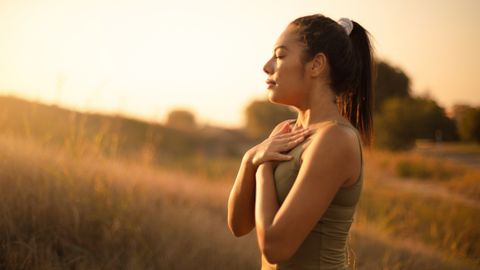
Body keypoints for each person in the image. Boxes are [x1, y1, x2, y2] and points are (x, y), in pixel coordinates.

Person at [227, 14, 376, 270]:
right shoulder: (284, 132)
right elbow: (239, 226)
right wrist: (249, 159)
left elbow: (275, 247)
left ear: (316, 65)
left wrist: (262, 167)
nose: (267, 66)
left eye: (280, 55)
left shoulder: (335, 138)